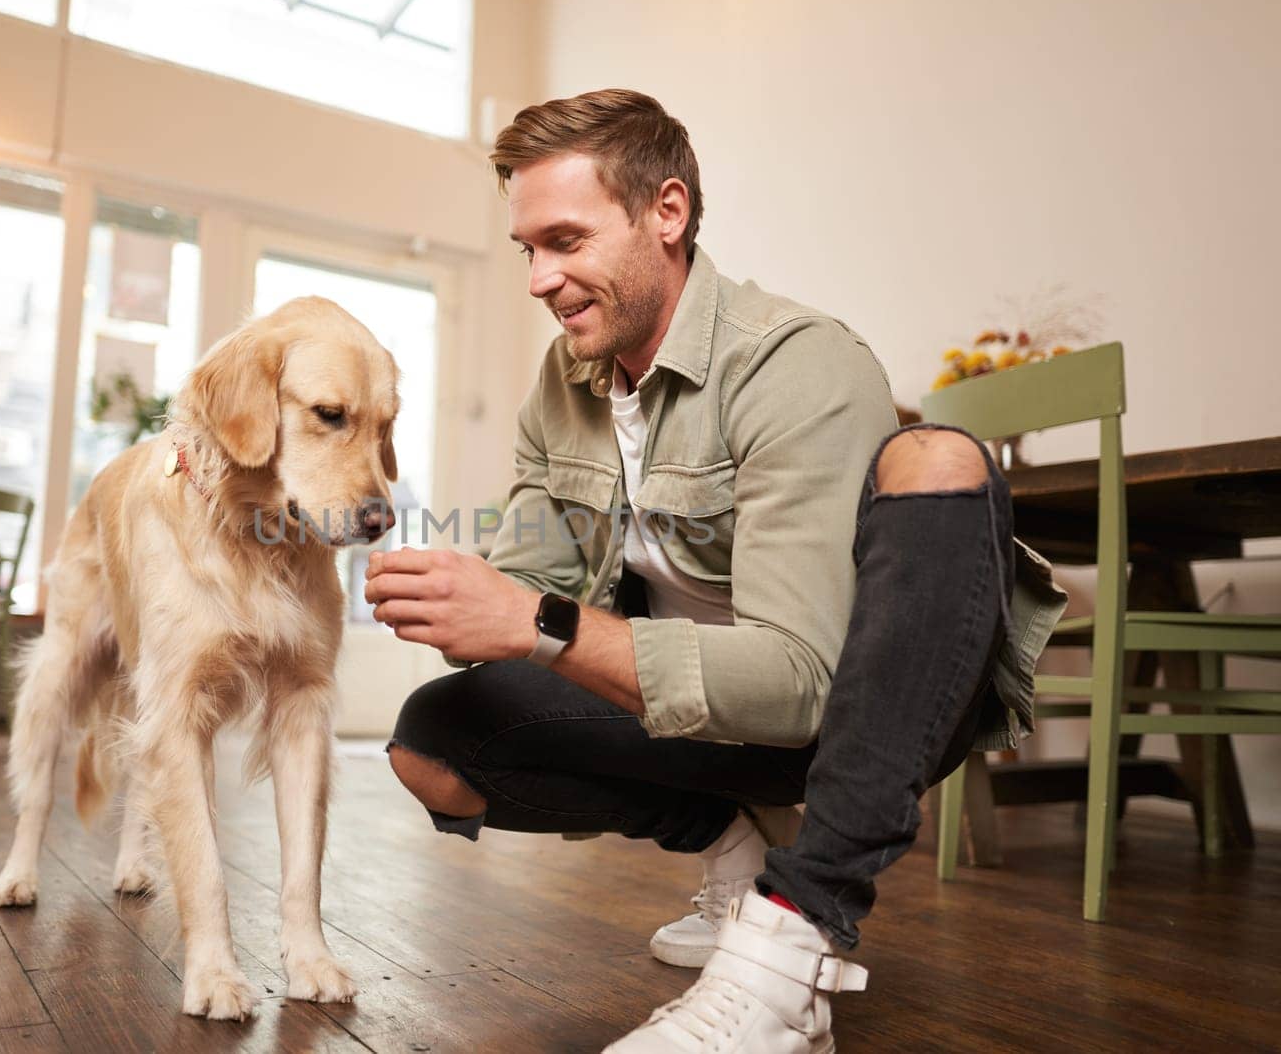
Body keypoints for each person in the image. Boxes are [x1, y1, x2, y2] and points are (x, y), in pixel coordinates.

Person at [363, 90, 1066, 1053]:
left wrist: (540, 623)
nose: (539, 278)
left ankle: (791, 946)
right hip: (685, 714)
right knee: (433, 745)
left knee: (941, 454)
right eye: (529, 248)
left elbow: (801, 688)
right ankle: (731, 854)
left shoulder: (794, 362)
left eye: (565, 240)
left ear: (669, 212)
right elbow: (526, 598)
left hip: (847, 720)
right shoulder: (564, 382)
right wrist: (452, 597)